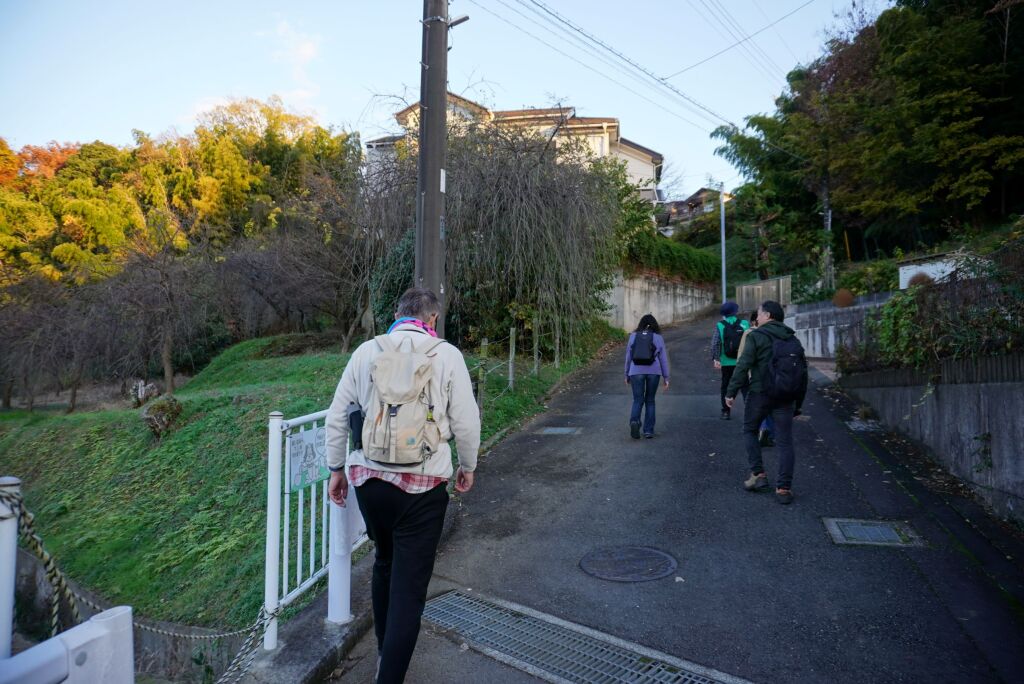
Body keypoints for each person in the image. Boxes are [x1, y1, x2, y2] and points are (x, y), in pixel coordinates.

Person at [326, 287, 480, 683]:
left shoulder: (366, 351)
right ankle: (389, 675)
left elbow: (337, 415)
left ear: (396, 316)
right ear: (432, 320)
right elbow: (466, 422)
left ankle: (384, 652)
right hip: (424, 486)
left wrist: (336, 469)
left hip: (370, 482)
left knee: (384, 561)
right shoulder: (447, 355)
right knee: (409, 591)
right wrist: (468, 465)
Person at [725, 300, 807, 505]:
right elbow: (802, 374)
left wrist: (731, 392)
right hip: (785, 396)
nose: (757, 318)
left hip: (760, 393)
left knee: (750, 430)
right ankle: (783, 488)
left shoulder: (756, 336)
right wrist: (798, 404)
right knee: (785, 441)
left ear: (768, 315)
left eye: (760, 314)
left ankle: (759, 475)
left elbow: (743, 365)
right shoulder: (792, 339)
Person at [624, 313, 670, 439]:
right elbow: (663, 359)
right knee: (650, 400)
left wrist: (626, 374)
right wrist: (666, 377)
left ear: (641, 324)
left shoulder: (633, 336)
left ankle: (635, 422)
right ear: (654, 325)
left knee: (637, 400)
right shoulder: (658, 337)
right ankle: (648, 430)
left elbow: (628, 357)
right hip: (653, 372)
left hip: (636, 371)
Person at [737, 309, 775, 447]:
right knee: (770, 406)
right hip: (771, 376)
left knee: (755, 405)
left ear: (753, 321)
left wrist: (739, 377)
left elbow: (741, 356)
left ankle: (761, 429)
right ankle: (770, 434)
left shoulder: (749, 333)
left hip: (752, 376)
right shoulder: (773, 333)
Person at [711, 301, 749, 420]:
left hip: (726, 361)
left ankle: (726, 412)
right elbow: (750, 342)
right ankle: (749, 411)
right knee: (745, 386)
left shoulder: (720, 325)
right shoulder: (744, 324)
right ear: (735, 311)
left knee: (726, 386)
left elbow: (715, 343)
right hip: (742, 362)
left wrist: (716, 359)